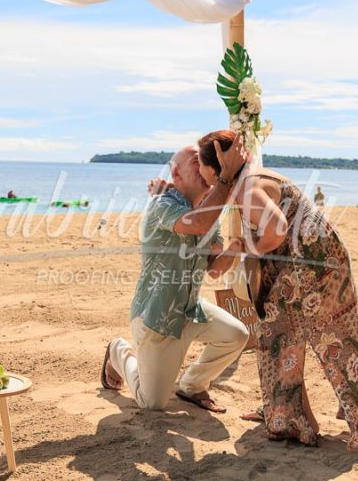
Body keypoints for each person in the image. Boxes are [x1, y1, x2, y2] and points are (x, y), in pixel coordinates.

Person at [196, 130, 358, 451]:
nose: (198, 171)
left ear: (217, 164)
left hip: (311, 263)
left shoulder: (248, 187)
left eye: (200, 164)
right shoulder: (246, 180)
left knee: (282, 336)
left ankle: (294, 419)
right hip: (312, 258)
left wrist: (242, 247)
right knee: (285, 335)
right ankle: (286, 413)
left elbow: (275, 229)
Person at [101, 137, 250, 413]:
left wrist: (234, 250)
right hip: (157, 318)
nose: (206, 165)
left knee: (237, 335)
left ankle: (192, 385)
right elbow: (199, 223)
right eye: (197, 161)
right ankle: (118, 351)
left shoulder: (208, 213)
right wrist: (226, 177)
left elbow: (215, 269)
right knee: (152, 402)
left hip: (191, 310)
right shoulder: (162, 205)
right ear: (176, 173)